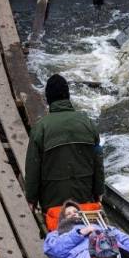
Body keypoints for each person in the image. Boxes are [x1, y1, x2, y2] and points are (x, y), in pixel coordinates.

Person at [25, 74, 105, 213]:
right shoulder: (88, 123)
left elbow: (33, 168)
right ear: (68, 96)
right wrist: (99, 192)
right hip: (84, 200)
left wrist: (31, 199)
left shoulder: (41, 127)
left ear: (48, 99)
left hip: (53, 204)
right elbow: (98, 162)